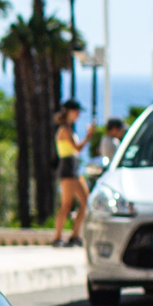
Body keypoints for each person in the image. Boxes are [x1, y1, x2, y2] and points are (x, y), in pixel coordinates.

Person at [52, 100, 87, 247]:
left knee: (85, 202)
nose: (78, 114)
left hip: (74, 169)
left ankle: (75, 235)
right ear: (70, 111)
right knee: (67, 205)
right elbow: (77, 148)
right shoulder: (64, 130)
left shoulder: (69, 129)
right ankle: (57, 237)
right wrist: (89, 136)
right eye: (76, 111)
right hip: (67, 169)